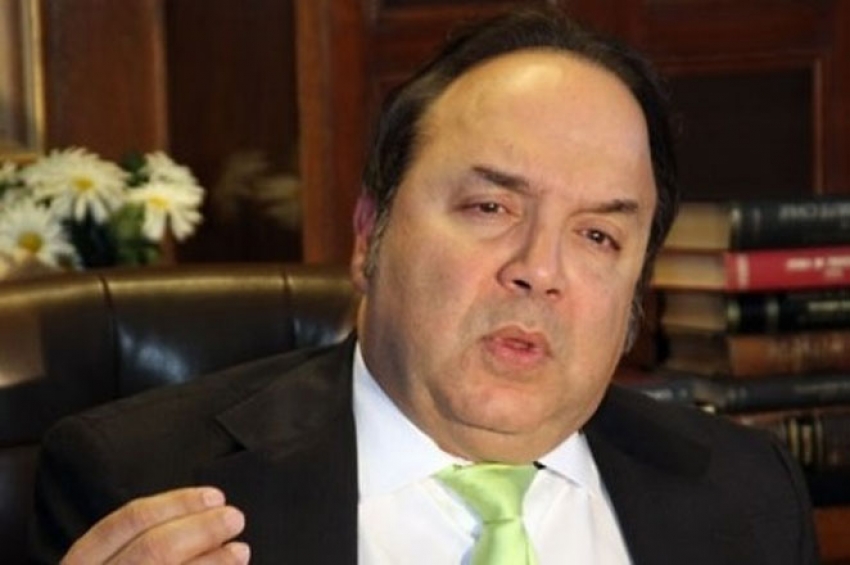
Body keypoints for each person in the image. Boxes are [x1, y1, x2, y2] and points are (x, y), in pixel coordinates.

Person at [30, 6, 818, 564]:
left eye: (598, 235)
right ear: (369, 232)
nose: (540, 269)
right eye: (490, 207)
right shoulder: (144, 485)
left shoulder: (749, 496)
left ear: (637, 292)